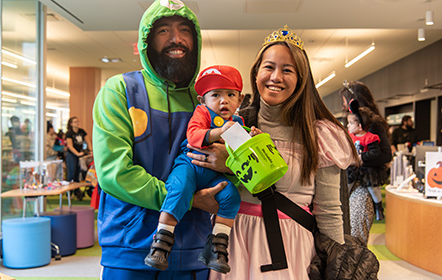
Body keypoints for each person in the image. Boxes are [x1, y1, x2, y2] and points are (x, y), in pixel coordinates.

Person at [187, 25, 357, 279]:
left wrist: (337, 268)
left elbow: (330, 211)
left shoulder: (320, 133)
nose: (276, 77)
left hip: (293, 247)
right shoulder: (234, 126)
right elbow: (199, 181)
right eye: (269, 67)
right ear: (256, 74)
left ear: (301, 79)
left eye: (287, 70)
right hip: (233, 243)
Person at [93, 1, 226, 279]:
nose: (176, 39)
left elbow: (227, 160)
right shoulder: (121, 91)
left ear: (196, 40)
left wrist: (229, 163)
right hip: (129, 246)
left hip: (193, 249)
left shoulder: (206, 101)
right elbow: (114, 172)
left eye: (184, 30)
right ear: (147, 41)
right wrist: (187, 199)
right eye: (163, 30)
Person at [144, 65, 260, 274]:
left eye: (230, 95)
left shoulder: (238, 122)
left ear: (240, 100)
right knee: (178, 189)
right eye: (215, 95)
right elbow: (194, 136)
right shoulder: (202, 112)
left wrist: (252, 139)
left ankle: (217, 245)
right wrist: (219, 132)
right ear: (202, 100)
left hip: (214, 176)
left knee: (231, 197)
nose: (223, 100)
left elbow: (244, 157)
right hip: (189, 165)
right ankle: (161, 241)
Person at [339, 80, 392, 240]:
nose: (343, 105)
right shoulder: (352, 123)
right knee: (347, 230)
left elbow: (386, 155)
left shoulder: (372, 123)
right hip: (351, 179)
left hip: (365, 183)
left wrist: (359, 159)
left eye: (344, 100)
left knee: (356, 233)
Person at [346, 106, 386, 225]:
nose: (348, 126)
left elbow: (376, 152)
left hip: (367, 169)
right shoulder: (349, 137)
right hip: (353, 169)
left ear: (360, 126)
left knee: (373, 188)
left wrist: (362, 157)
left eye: (350, 123)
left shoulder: (370, 138)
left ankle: (378, 207)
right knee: (347, 186)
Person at [65, 116, 91, 183]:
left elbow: (88, 141)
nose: (77, 123)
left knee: (78, 172)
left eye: (77, 121)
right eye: (75, 122)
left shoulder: (81, 131)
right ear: (71, 124)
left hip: (80, 154)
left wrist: (91, 150)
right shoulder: (69, 133)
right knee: (72, 172)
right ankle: (69, 191)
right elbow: (70, 146)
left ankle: (77, 190)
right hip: (71, 154)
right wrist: (77, 154)